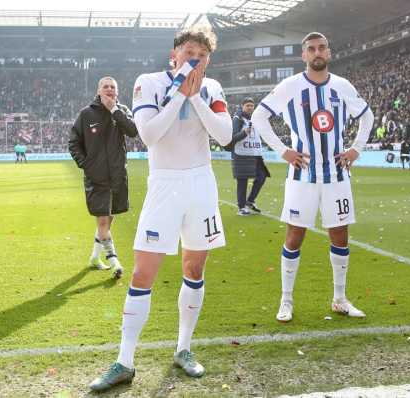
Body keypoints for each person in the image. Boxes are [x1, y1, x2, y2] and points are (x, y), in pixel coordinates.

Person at [88, 26, 232, 392]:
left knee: (194, 266)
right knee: (142, 273)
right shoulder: (149, 82)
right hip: (165, 184)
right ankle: (124, 361)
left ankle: (183, 348)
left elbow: (225, 135)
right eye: (188, 51)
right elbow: (149, 134)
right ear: (174, 54)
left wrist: (196, 97)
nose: (193, 57)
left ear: (208, 59)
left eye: (200, 53)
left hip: (201, 184)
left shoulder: (212, 88)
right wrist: (179, 97)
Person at [251, 32, 374, 323]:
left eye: (321, 48)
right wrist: (283, 150)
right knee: (295, 236)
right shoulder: (291, 86)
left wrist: (356, 149)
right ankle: (286, 301)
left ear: (328, 53)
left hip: (336, 175)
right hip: (302, 176)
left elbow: (366, 117)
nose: (317, 52)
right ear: (304, 55)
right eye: (311, 49)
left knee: (340, 234)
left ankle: (340, 299)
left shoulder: (342, 86)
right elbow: (259, 117)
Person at [69, 76, 138, 278]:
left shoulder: (122, 111)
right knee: (102, 223)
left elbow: (133, 131)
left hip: (117, 176)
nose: (109, 89)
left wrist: (114, 111)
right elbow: (73, 143)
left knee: (108, 221)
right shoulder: (86, 114)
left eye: (112, 87)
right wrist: (87, 165)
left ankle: (94, 257)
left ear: (117, 91)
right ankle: (114, 261)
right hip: (96, 178)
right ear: (99, 91)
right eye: (105, 86)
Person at [228, 97, 270, 215]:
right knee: (243, 181)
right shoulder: (237, 119)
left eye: (252, 105)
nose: (250, 107)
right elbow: (232, 137)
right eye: (248, 105)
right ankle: (241, 207)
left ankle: (250, 201)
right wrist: (244, 133)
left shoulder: (255, 119)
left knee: (261, 177)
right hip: (241, 154)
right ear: (242, 106)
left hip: (255, 154)